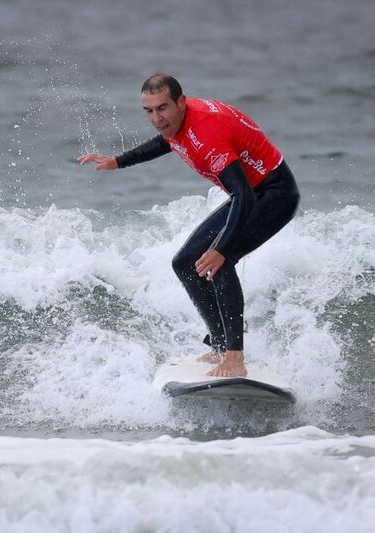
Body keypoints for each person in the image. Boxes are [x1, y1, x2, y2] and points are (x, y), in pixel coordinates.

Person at [78, 74, 300, 377]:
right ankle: (220, 345)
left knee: (218, 262)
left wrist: (222, 249)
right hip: (253, 192)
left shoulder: (208, 132)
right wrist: (120, 161)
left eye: (162, 108)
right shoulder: (180, 121)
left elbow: (243, 195)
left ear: (181, 102)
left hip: (275, 194)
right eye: (149, 111)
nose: (156, 118)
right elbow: (168, 140)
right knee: (185, 262)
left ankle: (234, 357)